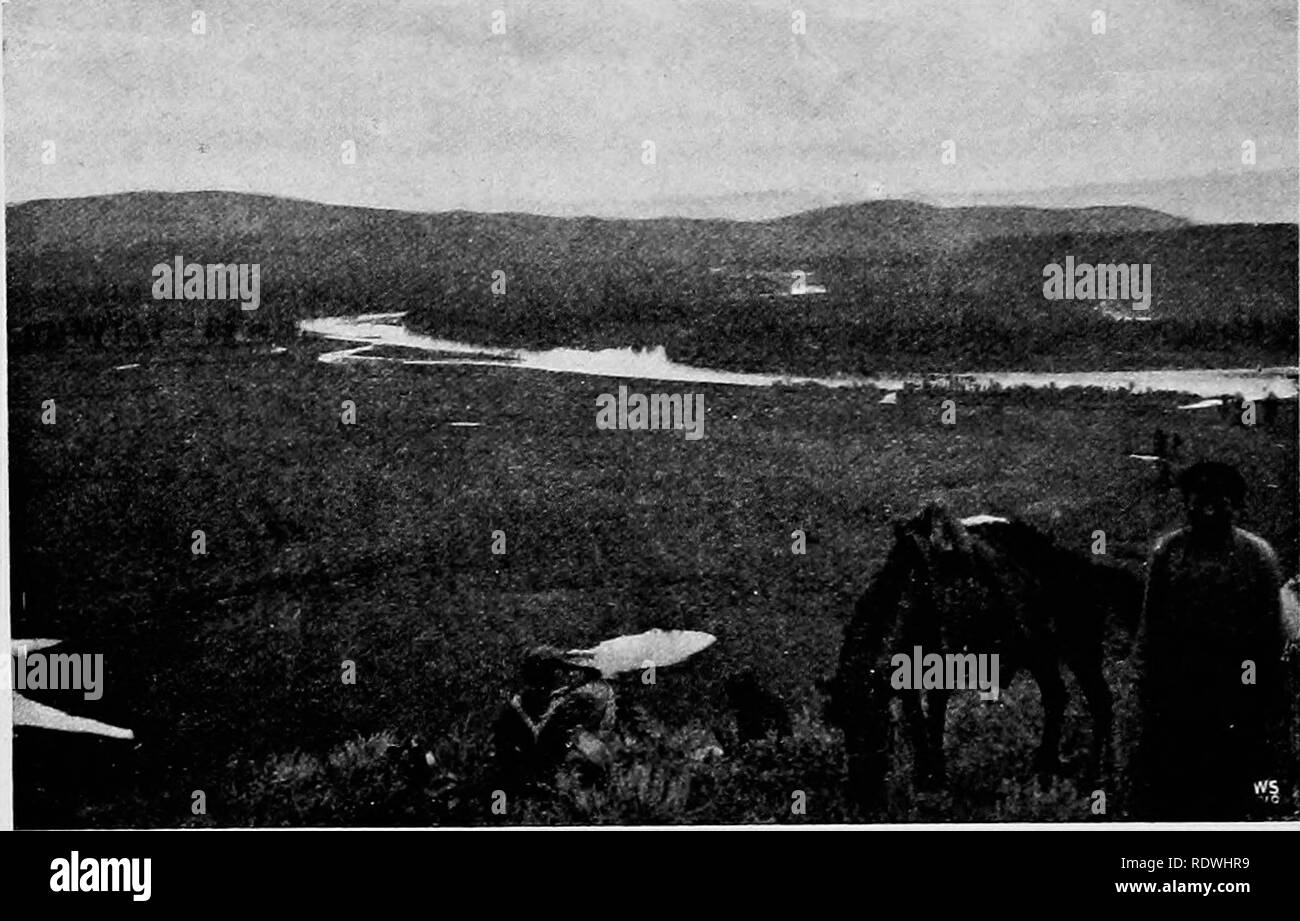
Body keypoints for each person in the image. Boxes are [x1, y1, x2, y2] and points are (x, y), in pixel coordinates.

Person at [1130, 461, 1293, 820]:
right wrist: (1146, 684)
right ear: (1187, 503)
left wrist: (1265, 694)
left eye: (1220, 501)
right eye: (1198, 499)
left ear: (1235, 506)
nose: (1208, 508)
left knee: (1238, 785)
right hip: (1178, 689)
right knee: (1174, 787)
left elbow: (1271, 635)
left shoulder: (1257, 556)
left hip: (1237, 689)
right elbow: (1150, 626)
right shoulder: (1168, 553)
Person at [492, 645, 616, 791]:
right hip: (547, 781)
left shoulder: (514, 709)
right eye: (559, 671)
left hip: (535, 780)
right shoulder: (562, 706)